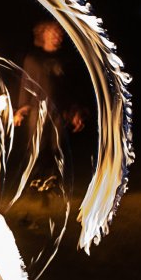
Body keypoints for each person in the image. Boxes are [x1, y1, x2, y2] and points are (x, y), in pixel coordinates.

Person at [11, 21, 85, 227]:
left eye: (59, 34)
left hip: (58, 114)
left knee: (56, 152)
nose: (57, 37)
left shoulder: (64, 60)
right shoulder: (34, 58)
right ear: (43, 35)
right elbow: (27, 83)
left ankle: (48, 194)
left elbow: (67, 90)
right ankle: (29, 195)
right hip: (38, 113)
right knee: (36, 152)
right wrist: (22, 108)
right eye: (53, 33)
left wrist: (74, 112)